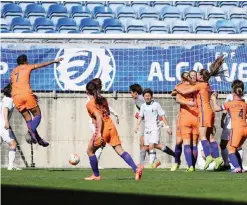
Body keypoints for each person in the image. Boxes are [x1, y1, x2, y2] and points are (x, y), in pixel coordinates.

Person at [85, 81, 143, 180]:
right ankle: (136, 169)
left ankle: (96, 175)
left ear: (86, 92)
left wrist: (99, 133)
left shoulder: (90, 103)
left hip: (102, 129)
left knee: (90, 151)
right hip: (111, 126)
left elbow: (98, 117)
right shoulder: (103, 99)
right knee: (120, 150)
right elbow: (107, 112)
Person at [175, 56, 224, 170]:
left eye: (197, 75)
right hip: (210, 112)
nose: (195, 76)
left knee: (202, 136)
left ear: (201, 77)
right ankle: (217, 158)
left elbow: (183, 91)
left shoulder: (200, 84)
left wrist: (177, 86)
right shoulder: (207, 84)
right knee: (210, 136)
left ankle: (208, 157)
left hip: (204, 112)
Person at [10, 54, 63, 147]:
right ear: (25, 61)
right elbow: (42, 65)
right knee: (37, 115)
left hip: (15, 96)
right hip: (26, 94)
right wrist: (54, 61)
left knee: (28, 118)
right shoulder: (27, 67)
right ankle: (31, 131)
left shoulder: (13, 71)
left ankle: (38, 139)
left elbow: (15, 84)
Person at [211, 80, 247, 173]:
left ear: (233, 92)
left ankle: (236, 167)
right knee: (236, 148)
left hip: (236, 129)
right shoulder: (244, 104)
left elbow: (216, 108)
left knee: (231, 149)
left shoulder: (230, 103)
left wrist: (214, 99)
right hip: (245, 128)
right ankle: (240, 168)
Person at [135, 88, 174, 167]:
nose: (147, 97)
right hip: (147, 129)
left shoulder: (156, 105)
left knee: (152, 144)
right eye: (146, 96)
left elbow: (162, 116)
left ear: (151, 96)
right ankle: (156, 161)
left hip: (155, 128)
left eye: (149, 96)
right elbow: (140, 116)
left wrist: (167, 127)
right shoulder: (143, 106)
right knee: (147, 146)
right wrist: (137, 126)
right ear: (144, 97)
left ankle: (150, 164)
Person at [86, 78, 119, 169]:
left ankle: (95, 164)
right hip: (95, 125)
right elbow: (98, 115)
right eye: (100, 85)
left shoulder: (99, 97)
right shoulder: (91, 99)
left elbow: (106, 109)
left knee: (98, 146)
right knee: (97, 145)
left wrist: (115, 114)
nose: (101, 87)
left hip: (101, 124)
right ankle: (95, 164)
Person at [172, 71, 199, 171]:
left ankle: (191, 166)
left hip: (188, 117)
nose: (190, 78)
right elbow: (175, 95)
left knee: (188, 143)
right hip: (192, 116)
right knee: (180, 141)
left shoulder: (185, 86)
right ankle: (177, 162)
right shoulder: (194, 86)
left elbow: (178, 99)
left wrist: (186, 102)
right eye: (188, 76)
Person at [130, 84, 161, 168]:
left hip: (149, 125)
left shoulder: (138, 99)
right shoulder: (140, 98)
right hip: (148, 124)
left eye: (131, 93)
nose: (131, 95)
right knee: (144, 144)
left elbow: (146, 112)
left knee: (144, 144)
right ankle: (155, 161)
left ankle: (142, 164)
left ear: (135, 93)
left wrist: (139, 115)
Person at [0, 83, 21, 170]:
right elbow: (5, 110)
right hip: (2, 124)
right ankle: (11, 166)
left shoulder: (4, 99)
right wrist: (6, 122)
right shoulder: (9, 100)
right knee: (13, 144)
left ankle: (11, 166)